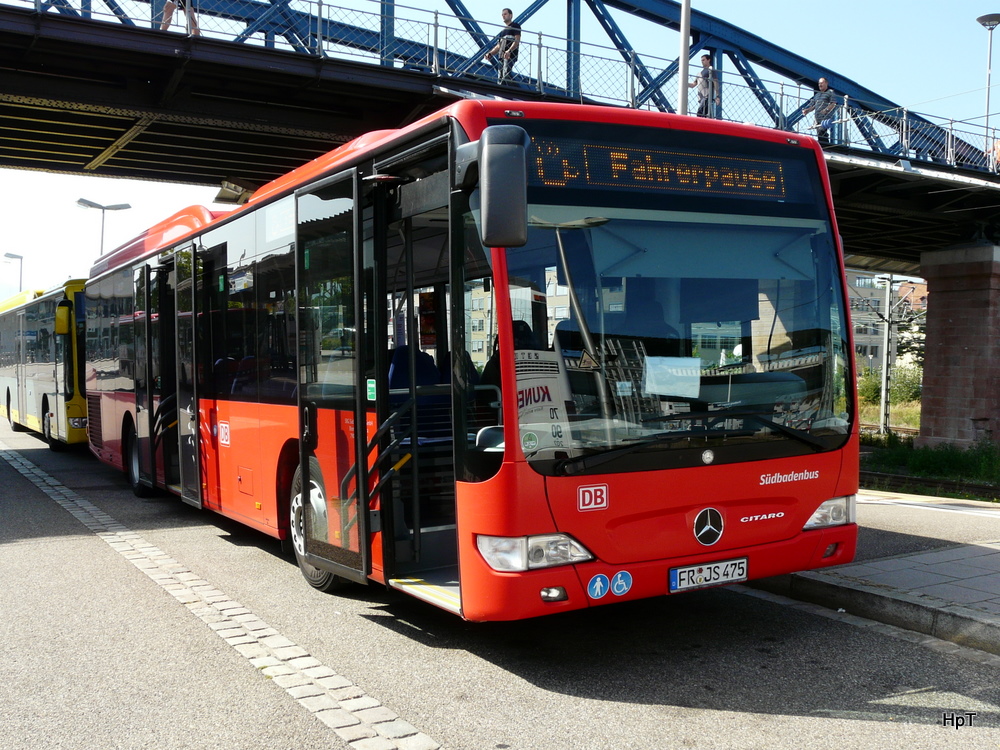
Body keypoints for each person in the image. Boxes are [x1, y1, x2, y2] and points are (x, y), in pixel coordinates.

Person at [485, 8, 521, 85]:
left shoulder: (515, 26)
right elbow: (498, 46)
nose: (503, 16)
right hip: (501, 56)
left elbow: (517, 40)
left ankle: (506, 88)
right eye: (502, 15)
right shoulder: (502, 31)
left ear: (511, 15)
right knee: (500, 77)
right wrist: (490, 53)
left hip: (510, 55)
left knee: (505, 75)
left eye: (505, 14)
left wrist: (509, 51)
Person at [803, 77, 837, 144]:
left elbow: (833, 103)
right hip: (818, 118)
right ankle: (823, 145)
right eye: (819, 83)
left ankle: (825, 146)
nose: (820, 85)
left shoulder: (830, 92)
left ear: (826, 83)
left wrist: (826, 110)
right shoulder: (817, 95)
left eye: (821, 83)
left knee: (822, 131)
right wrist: (807, 110)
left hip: (825, 118)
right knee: (819, 133)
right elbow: (813, 106)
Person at [689, 53, 719, 118]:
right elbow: (693, 85)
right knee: (704, 113)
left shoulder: (710, 70)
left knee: (700, 113)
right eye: (701, 60)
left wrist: (717, 96)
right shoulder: (699, 73)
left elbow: (715, 82)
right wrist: (684, 83)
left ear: (708, 60)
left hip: (707, 96)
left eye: (703, 60)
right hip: (701, 97)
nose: (702, 62)